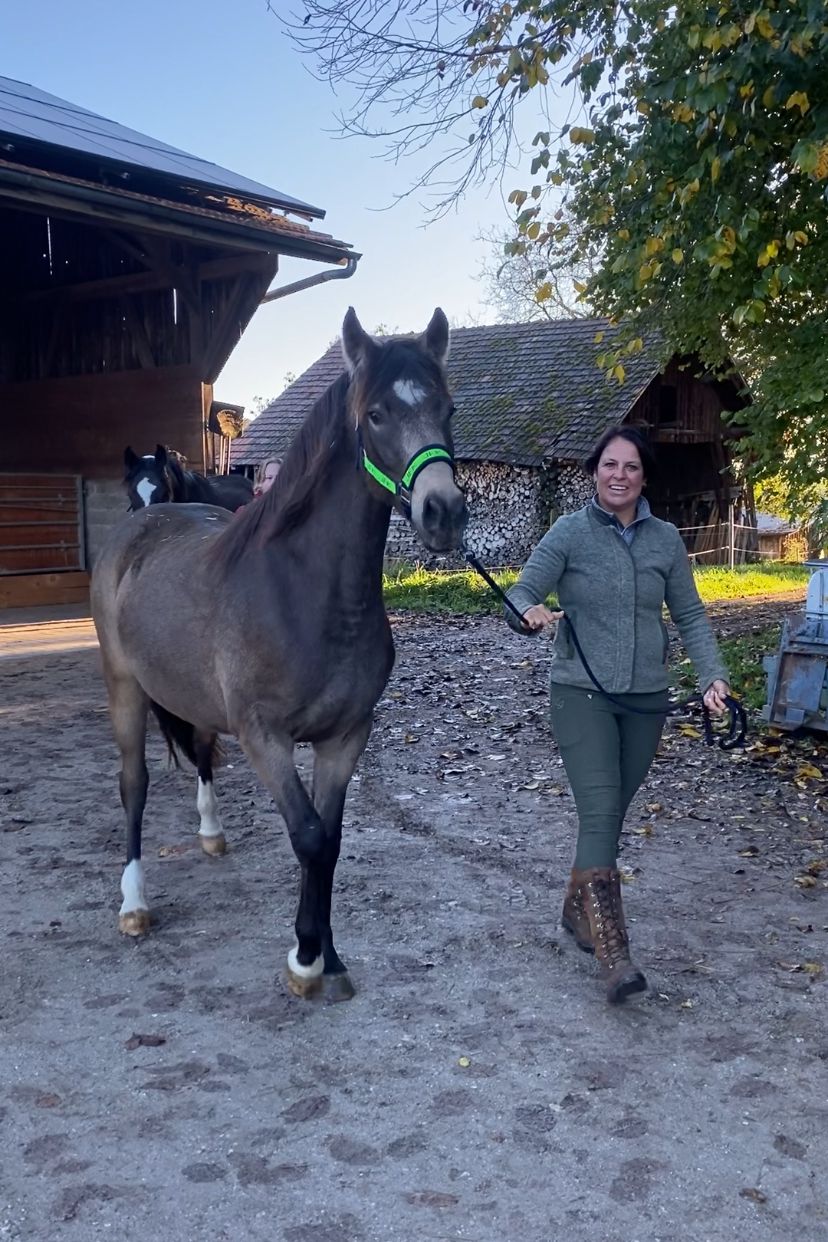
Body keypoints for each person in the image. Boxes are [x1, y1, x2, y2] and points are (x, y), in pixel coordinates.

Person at [505, 425, 731, 1005]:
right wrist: (528, 610)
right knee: (602, 810)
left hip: (646, 701)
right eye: (610, 464)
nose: (619, 475)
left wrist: (713, 676)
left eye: (631, 467)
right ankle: (614, 955)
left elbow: (690, 614)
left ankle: (576, 908)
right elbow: (521, 591)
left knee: (606, 815)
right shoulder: (569, 532)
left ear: (644, 477)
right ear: (595, 471)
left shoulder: (665, 541)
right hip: (580, 694)